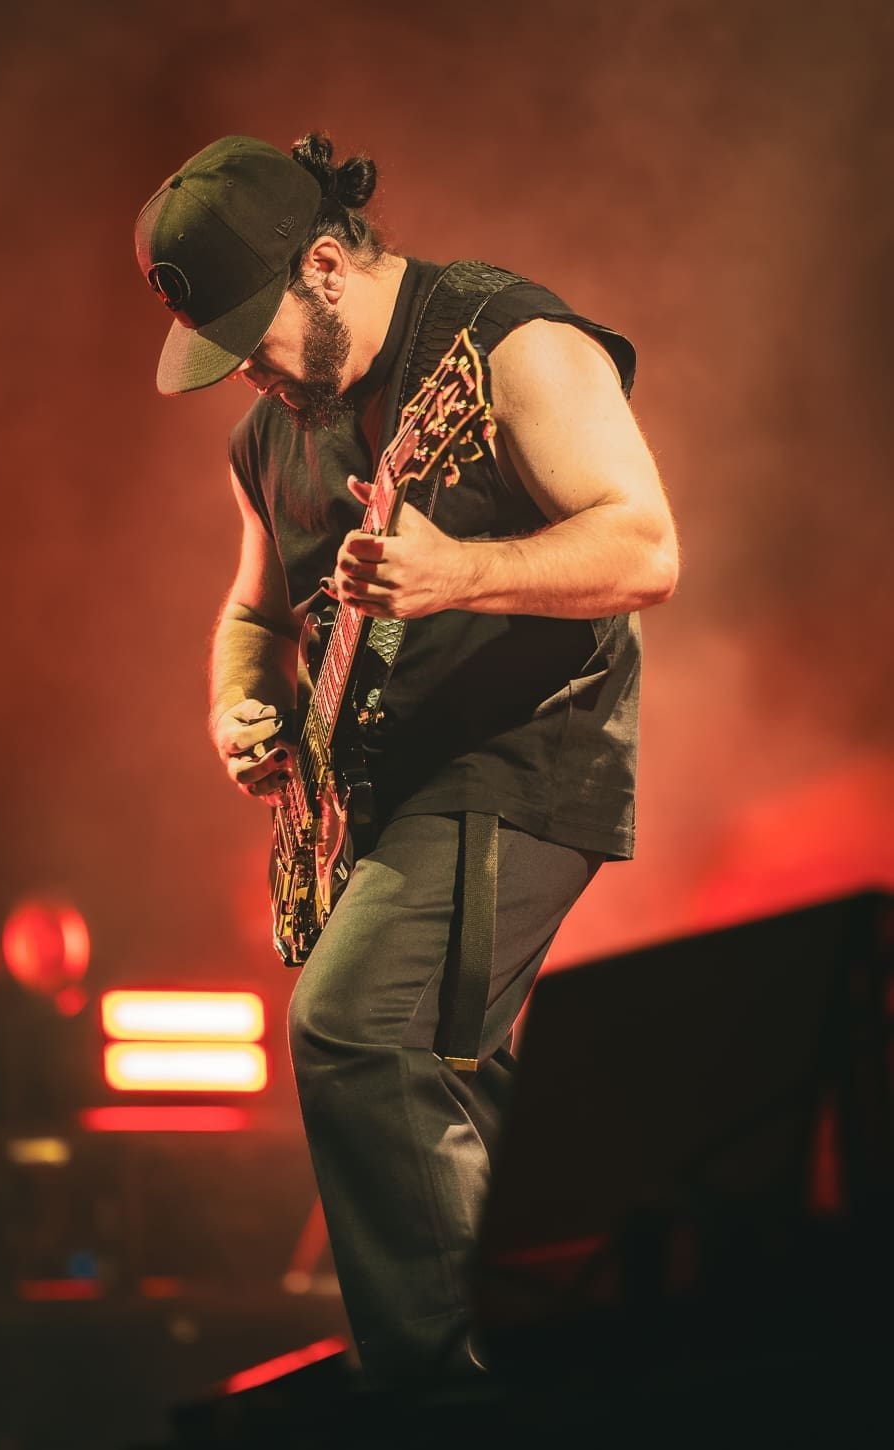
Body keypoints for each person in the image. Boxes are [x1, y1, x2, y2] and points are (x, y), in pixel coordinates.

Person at [135, 132, 678, 1383]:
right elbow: (253, 614)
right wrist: (238, 708)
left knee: (352, 1026)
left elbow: (646, 549)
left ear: (323, 266)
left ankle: (440, 1402)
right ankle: (559, 1357)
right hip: (378, 794)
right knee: (450, 1092)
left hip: (522, 759)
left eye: (250, 338)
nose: (246, 378)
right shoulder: (270, 440)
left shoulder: (509, 345)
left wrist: (460, 573)